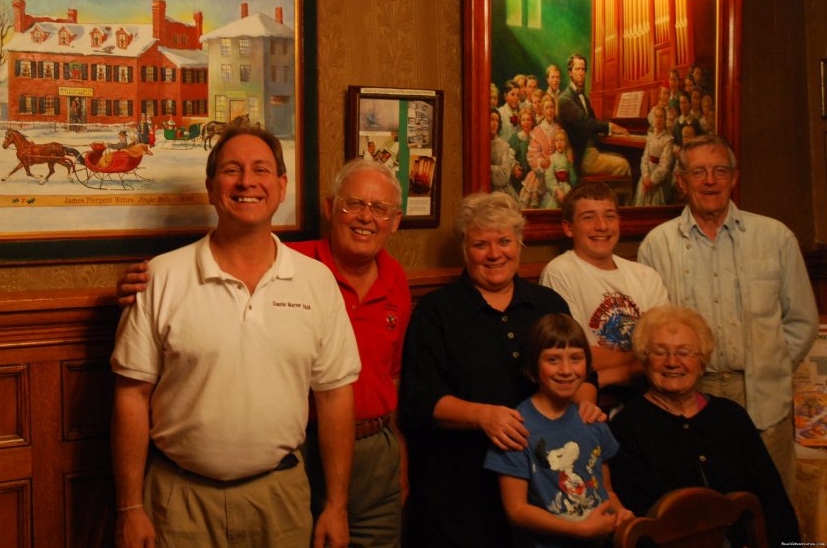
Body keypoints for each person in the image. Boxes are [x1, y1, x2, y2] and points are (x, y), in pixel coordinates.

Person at [116, 157, 412, 548]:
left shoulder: (394, 280)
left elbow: (389, 376)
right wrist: (136, 288)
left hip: (370, 453)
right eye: (353, 204)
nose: (365, 217)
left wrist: (398, 451)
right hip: (296, 451)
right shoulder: (298, 266)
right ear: (329, 207)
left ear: (395, 220)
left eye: (379, 209)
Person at [399, 191, 602, 548]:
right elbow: (419, 400)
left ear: (519, 244)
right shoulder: (437, 312)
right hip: (460, 489)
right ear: (465, 248)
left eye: (505, 241)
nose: (495, 254)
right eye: (481, 244)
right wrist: (482, 416)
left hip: (545, 484)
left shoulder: (547, 304)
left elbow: (585, 373)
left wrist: (584, 404)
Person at [637, 134, 819, 494]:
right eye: (699, 172)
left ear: (734, 177)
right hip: (689, 397)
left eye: (720, 170)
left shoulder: (775, 237)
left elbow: (802, 321)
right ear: (681, 181)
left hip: (763, 398)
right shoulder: (657, 245)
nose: (710, 181)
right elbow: (651, 332)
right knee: (704, 508)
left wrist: (773, 364)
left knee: (775, 510)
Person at [609, 305, 800, 546]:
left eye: (684, 352)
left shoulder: (731, 417)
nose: (672, 362)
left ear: (702, 361)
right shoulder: (627, 427)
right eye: (659, 352)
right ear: (645, 360)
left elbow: (773, 503)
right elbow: (640, 523)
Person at [485, 314, 633, 547]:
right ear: (534, 367)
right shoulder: (517, 428)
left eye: (575, 358)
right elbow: (516, 510)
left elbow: (606, 490)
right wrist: (579, 530)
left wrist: (621, 514)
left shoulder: (592, 420)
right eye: (553, 360)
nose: (566, 370)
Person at [539, 182, 668, 406]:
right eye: (589, 217)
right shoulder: (561, 272)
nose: (602, 226)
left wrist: (619, 367)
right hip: (592, 403)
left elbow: (667, 348)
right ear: (569, 228)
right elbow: (573, 356)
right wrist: (639, 363)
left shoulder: (646, 276)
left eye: (609, 216)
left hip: (650, 399)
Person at [556, 54, 631, 178]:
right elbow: (586, 123)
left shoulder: (583, 97)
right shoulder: (565, 99)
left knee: (622, 157)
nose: (581, 73)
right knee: (624, 164)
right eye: (577, 69)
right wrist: (610, 126)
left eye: (583, 69)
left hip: (591, 151)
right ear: (570, 72)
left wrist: (610, 131)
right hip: (581, 157)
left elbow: (593, 122)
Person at [633, 105, 674, 206]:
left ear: (664, 120)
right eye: (656, 116)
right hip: (646, 177)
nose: (658, 120)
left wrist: (652, 181)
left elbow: (665, 165)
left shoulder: (668, 140)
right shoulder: (651, 136)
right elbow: (645, 158)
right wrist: (646, 176)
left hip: (658, 179)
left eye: (661, 117)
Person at [540, 128, 575, 209]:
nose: (559, 143)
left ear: (566, 143)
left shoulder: (568, 157)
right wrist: (557, 190)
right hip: (555, 190)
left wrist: (570, 164)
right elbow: (549, 177)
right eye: (557, 140)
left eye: (562, 140)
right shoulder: (552, 158)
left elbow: (573, 179)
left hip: (567, 189)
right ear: (554, 143)